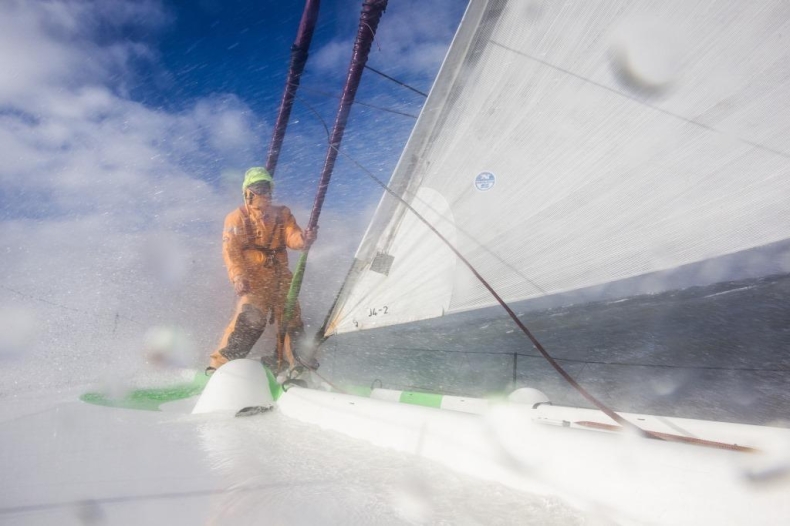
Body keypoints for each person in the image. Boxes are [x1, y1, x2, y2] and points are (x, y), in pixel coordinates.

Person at [207, 167, 317, 374]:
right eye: (258, 186)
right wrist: (238, 277)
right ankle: (219, 368)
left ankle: (297, 367)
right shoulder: (235, 218)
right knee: (250, 320)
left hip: (281, 279)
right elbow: (231, 252)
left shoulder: (282, 214)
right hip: (254, 281)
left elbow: (292, 236)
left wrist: (304, 240)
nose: (264, 191)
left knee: (292, 322)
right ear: (247, 191)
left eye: (266, 186)